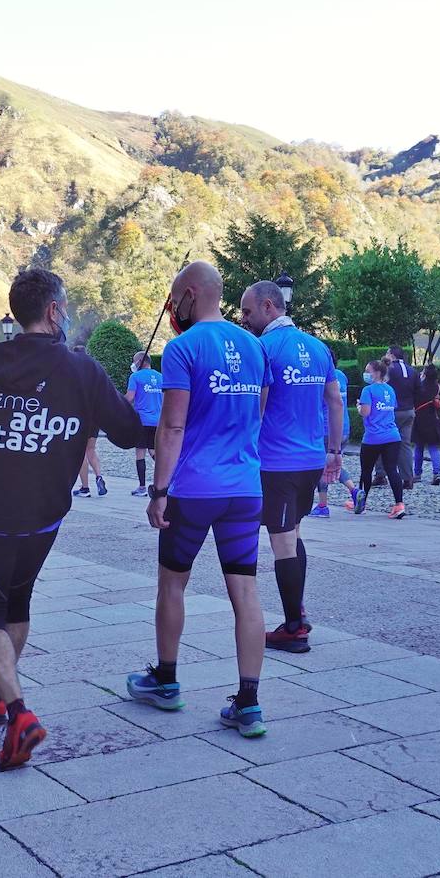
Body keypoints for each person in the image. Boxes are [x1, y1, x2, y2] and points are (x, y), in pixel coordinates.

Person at [0, 268, 142, 769]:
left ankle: (18, 713)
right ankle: (0, 691)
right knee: (17, 601)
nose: (65, 313)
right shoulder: (84, 372)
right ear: (52, 311)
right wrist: (126, 404)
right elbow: (130, 433)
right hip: (47, 513)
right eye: (63, 306)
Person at [128, 261, 270, 738]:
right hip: (245, 488)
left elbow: (171, 426)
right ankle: (248, 702)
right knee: (245, 592)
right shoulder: (255, 345)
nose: (173, 309)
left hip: (192, 489)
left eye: (174, 299)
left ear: (190, 294)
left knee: (172, 585)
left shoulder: (182, 349)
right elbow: (258, 413)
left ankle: (166, 680)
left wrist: (159, 492)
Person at [239, 281, 342, 654]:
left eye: (247, 311)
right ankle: (297, 610)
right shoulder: (318, 347)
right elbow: (334, 400)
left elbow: (257, 406)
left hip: (276, 461)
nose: (243, 318)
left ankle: (294, 629)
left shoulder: (263, 348)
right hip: (311, 459)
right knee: (293, 535)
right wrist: (334, 449)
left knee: (282, 542)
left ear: (269, 306)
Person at [356, 360, 407, 519]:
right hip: (392, 435)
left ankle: (361, 503)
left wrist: (359, 407)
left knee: (366, 470)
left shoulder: (367, 390)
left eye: (368, 370)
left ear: (376, 372)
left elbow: (365, 412)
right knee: (392, 470)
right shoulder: (390, 390)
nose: (366, 374)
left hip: (373, 436)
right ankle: (399, 504)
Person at [313, 362, 358, 516]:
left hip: (327, 428)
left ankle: (322, 505)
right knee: (334, 463)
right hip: (344, 427)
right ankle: (355, 490)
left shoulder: (321, 377)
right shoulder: (341, 376)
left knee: (323, 465)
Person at [69, 345, 109, 498]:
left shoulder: (73, 373)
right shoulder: (95, 371)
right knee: (91, 450)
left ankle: (85, 487)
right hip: (95, 416)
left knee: (80, 453)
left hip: (81, 416)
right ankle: (99, 476)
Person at [125, 350, 163, 496]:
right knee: (153, 451)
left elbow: (129, 397)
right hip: (158, 420)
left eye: (135, 361)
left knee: (140, 452)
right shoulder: (161, 377)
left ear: (140, 361)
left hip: (142, 420)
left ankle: (141, 487)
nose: (133, 364)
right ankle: (167, 478)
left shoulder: (135, 377)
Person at [379, 346, 417, 490]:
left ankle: (380, 475)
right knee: (405, 444)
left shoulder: (388, 369)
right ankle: (408, 478)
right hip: (408, 411)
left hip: (391, 411)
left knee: (380, 441)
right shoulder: (412, 370)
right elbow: (418, 390)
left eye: (387, 353)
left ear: (392, 355)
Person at [412, 363, 440, 485]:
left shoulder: (419, 387)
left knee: (418, 448)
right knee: (433, 447)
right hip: (433, 419)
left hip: (419, 419)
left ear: (425, 374)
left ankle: (417, 474)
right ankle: (437, 473)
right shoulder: (437, 387)